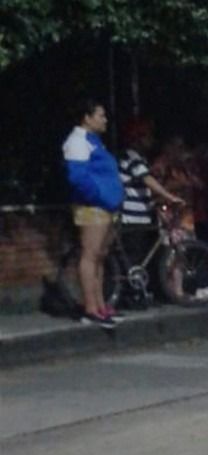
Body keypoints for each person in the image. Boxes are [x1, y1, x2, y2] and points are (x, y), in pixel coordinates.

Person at [62, 99, 125, 328]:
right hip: (92, 206)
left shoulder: (94, 141)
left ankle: (101, 305)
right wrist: (101, 197)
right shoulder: (77, 142)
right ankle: (90, 307)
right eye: (100, 115)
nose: (104, 119)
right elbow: (78, 178)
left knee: (100, 256)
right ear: (87, 118)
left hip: (105, 206)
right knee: (90, 255)